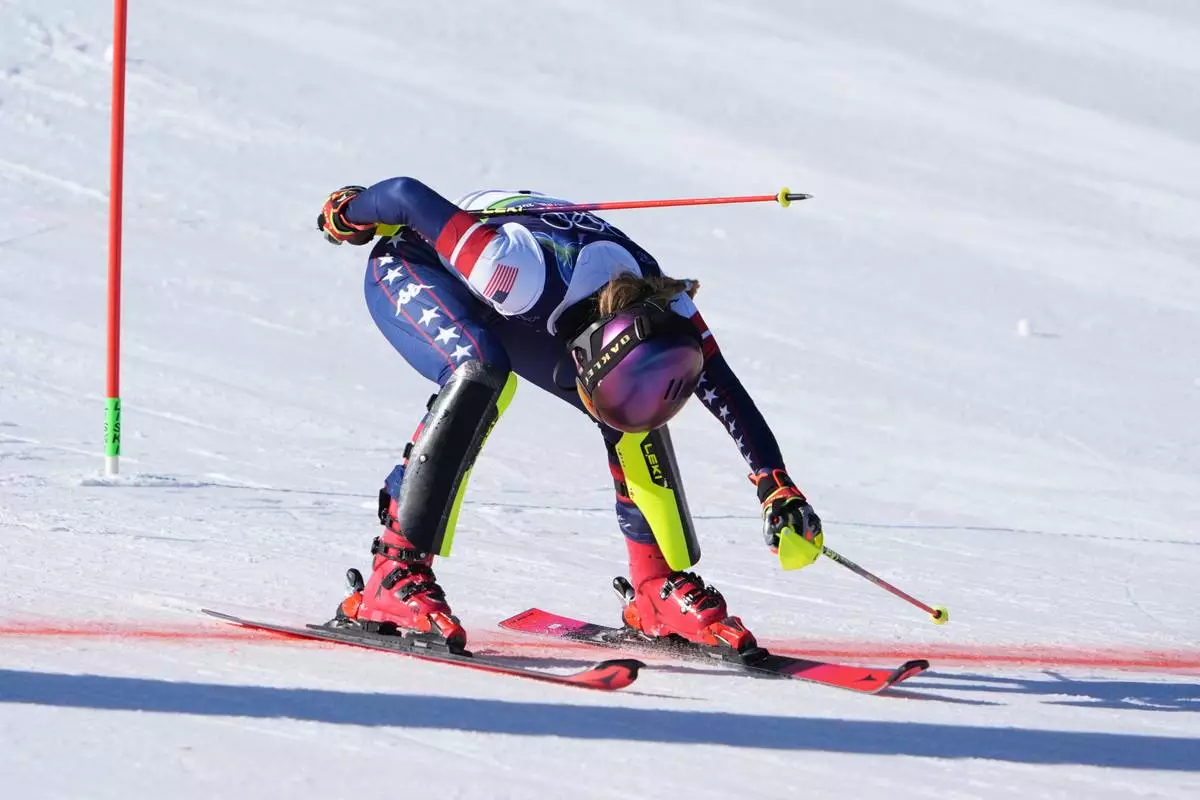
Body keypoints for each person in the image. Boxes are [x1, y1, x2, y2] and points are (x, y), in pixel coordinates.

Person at [317, 177, 824, 656]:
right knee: (480, 372)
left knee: (633, 412)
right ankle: (395, 566)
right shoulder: (510, 269)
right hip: (418, 264)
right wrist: (350, 212)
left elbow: (728, 392)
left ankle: (654, 584)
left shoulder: (671, 307)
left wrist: (776, 486)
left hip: (541, 305)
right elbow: (404, 195)